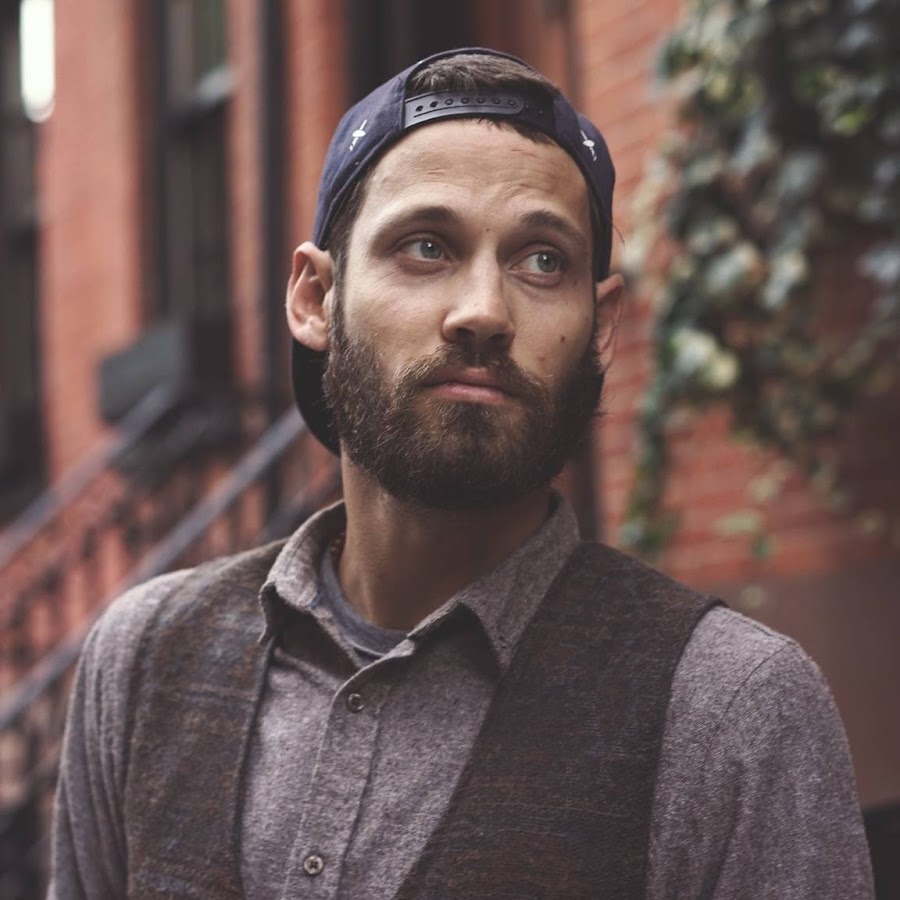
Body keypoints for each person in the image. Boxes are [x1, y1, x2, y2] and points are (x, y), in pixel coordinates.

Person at [49, 48, 874, 899]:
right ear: (314, 298)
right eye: (426, 247)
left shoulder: (730, 709)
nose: (482, 311)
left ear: (600, 327)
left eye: (543, 261)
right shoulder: (145, 657)